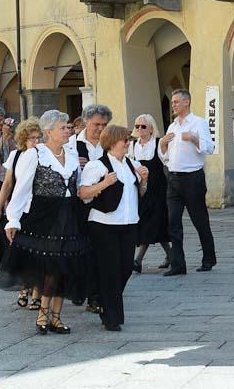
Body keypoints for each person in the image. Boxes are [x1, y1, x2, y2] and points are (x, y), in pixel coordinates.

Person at [0, 110, 92, 335]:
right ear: (48, 132)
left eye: (68, 127)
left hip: (71, 215)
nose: (68, 130)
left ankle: (56, 318)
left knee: (65, 267)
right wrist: (13, 220)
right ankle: (43, 314)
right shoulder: (35, 154)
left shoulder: (71, 152)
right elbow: (21, 188)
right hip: (45, 217)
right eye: (63, 127)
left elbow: (78, 187)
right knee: (51, 268)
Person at [80, 124, 149, 332]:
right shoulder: (97, 166)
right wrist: (104, 184)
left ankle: (101, 298)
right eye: (125, 140)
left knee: (126, 267)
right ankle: (112, 317)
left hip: (129, 223)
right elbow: (83, 193)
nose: (128, 143)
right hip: (103, 224)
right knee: (110, 270)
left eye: (128, 140)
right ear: (112, 142)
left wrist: (144, 181)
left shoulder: (131, 165)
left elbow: (140, 194)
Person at [159, 89, 216, 276]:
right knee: (173, 221)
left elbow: (210, 147)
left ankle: (208, 259)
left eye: (176, 102)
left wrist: (193, 138)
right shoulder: (172, 126)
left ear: (187, 102)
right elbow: (166, 158)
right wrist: (163, 145)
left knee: (200, 220)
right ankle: (178, 264)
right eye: (173, 102)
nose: (173, 105)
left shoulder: (198, 123)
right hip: (174, 178)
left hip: (193, 178)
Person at [0, 117, 42, 310]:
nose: (35, 142)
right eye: (32, 138)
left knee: (38, 251)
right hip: (19, 208)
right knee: (21, 250)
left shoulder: (44, 156)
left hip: (38, 208)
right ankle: (24, 287)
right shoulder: (16, 156)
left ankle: (36, 292)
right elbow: (8, 184)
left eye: (38, 138)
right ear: (23, 139)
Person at [73, 104, 111, 313]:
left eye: (104, 125)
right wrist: (73, 164)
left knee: (100, 250)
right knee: (82, 249)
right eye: (96, 124)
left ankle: (96, 295)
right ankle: (83, 289)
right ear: (86, 122)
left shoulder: (109, 144)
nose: (100, 128)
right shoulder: (71, 144)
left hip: (105, 203)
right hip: (80, 204)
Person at [129, 114, 171, 272]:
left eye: (143, 126)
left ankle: (138, 260)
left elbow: (167, 160)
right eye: (137, 126)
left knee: (153, 221)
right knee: (150, 222)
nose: (140, 129)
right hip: (140, 187)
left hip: (157, 188)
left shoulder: (158, 143)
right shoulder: (132, 145)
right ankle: (171, 255)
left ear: (151, 128)